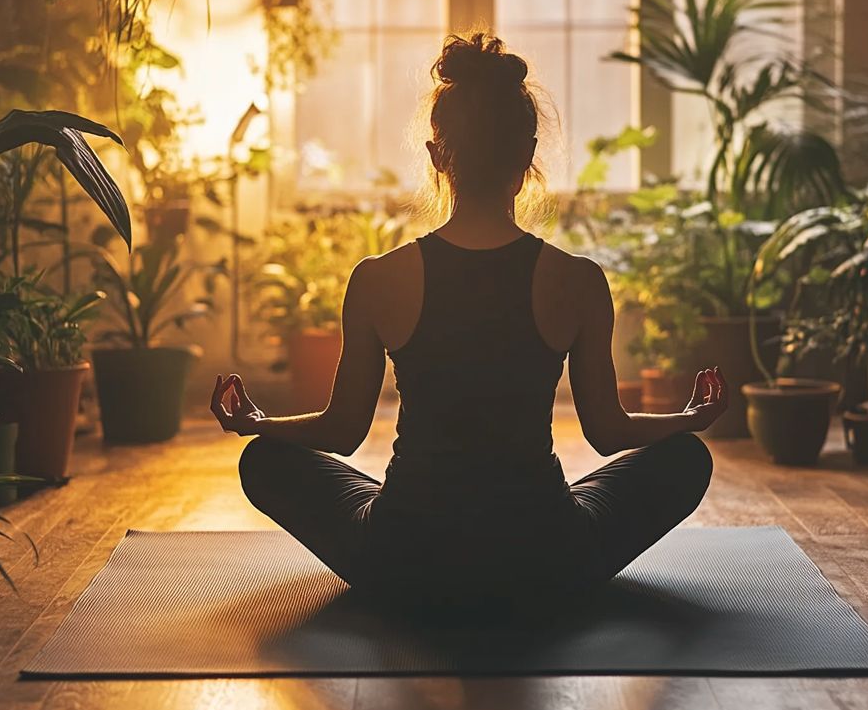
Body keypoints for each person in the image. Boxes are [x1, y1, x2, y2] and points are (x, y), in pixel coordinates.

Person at [213, 32, 726, 604]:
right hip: (547, 556)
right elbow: (608, 434)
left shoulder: (379, 278)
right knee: (686, 458)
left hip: (403, 557)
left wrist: (259, 423)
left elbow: (342, 432)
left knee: (265, 461)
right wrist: (689, 418)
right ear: (528, 152)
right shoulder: (577, 280)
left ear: (437, 155)